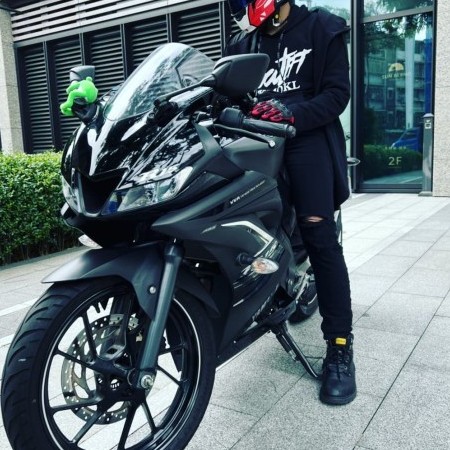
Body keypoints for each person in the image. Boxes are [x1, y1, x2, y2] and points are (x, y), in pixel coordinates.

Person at [225, 0, 356, 405]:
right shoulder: (243, 42)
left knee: (320, 237)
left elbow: (337, 95)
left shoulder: (321, 27)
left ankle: (339, 346)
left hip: (306, 139)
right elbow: (219, 96)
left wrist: (291, 112)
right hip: (254, 144)